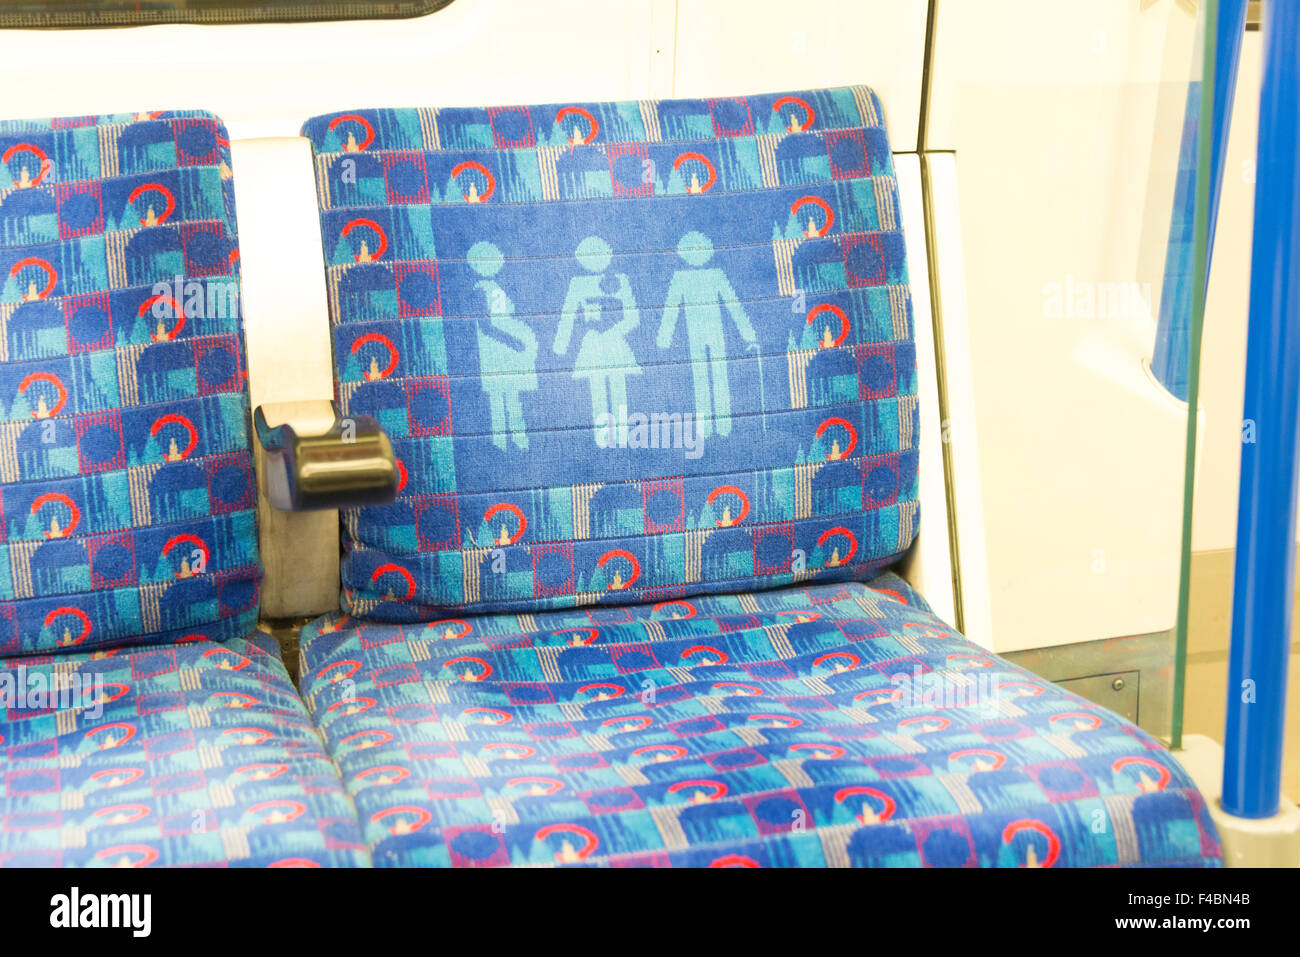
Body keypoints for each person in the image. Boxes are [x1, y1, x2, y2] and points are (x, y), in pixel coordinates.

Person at [657, 231, 757, 438]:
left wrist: (748, 334)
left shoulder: (716, 275)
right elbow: (671, 308)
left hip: (714, 333)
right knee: (701, 376)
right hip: (697, 334)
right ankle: (708, 426)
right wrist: (664, 337)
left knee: (717, 374)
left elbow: (733, 305)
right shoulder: (681, 278)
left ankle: (723, 424)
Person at [554, 236, 641, 441]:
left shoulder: (620, 281)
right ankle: (603, 435)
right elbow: (569, 314)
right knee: (597, 388)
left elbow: (632, 316)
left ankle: (621, 433)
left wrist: (613, 330)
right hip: (591, 344)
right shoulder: (578, 284)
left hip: (614, 342)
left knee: (618, 385)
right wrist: (561, 343)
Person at [469, 241, 538, 450]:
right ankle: (500, 441)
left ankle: (519, 439)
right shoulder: (481, 290)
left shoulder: (497, 287)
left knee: (512, 394)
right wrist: (514, 342)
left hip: (507, 350)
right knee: (497, 399)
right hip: (495, 350)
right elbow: (487, 325)